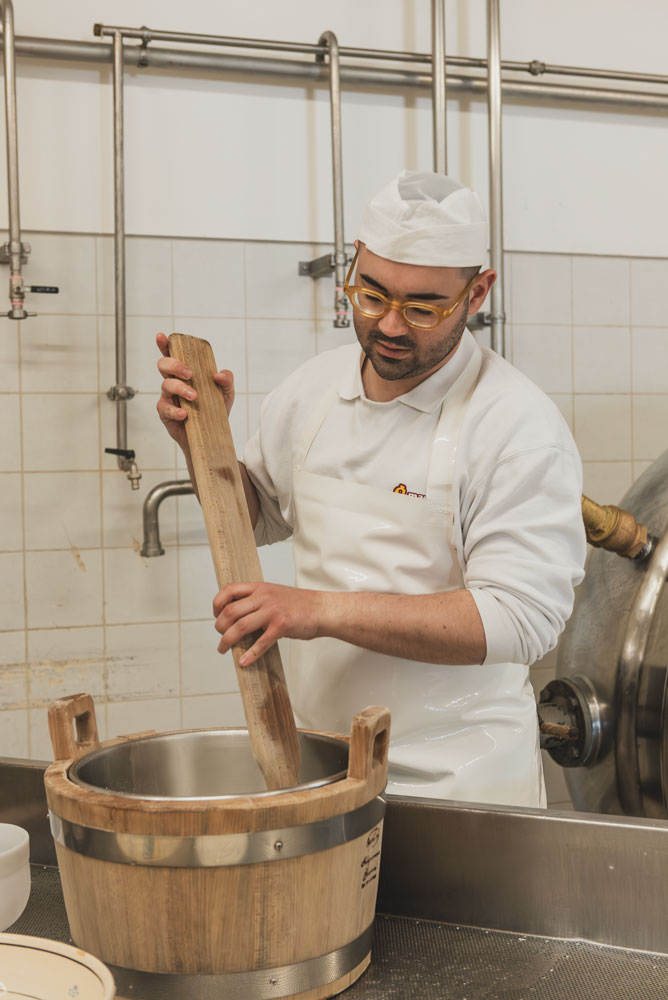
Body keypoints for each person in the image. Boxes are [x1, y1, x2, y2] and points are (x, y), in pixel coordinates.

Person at [157, 170, 586, 808]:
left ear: (477, 294)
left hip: (461, 782)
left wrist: (318, 610)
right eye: (370, 293)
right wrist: (201, 443)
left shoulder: (516, 427)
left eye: (422, 307)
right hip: (318, 768)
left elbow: (519, 619)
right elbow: (258, 518)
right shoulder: (311, 391)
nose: (388, 324)